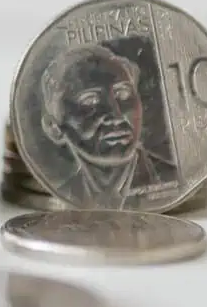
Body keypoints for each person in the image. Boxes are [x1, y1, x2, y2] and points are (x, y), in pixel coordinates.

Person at [40, 43, 175, 208]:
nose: (116, 115)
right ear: (53, 127)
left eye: (123, 93)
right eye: (90, 101)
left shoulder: (172, 180)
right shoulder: (65, 194)